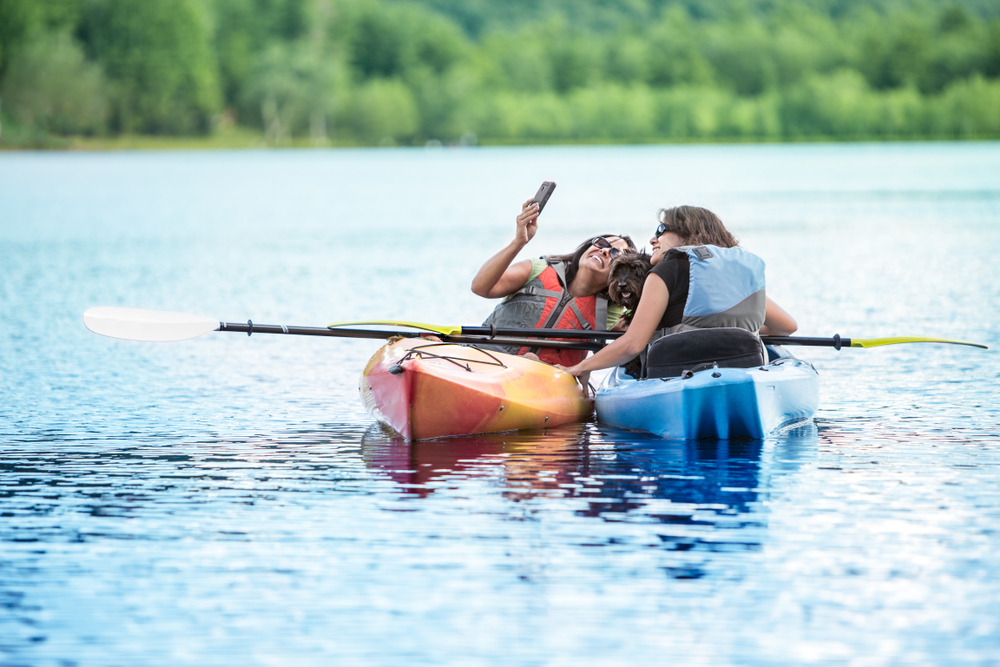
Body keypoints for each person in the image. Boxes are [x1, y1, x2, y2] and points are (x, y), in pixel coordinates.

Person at [558, 205, 797, 378]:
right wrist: (739, 329)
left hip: (678, 372)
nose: (653, 239)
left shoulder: (664, 272)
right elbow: (787, 327)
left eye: (661, 230)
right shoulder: (738, 276)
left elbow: (632, 345)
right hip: (744, 368)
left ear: (687, 233)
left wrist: (578, 368)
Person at [471, 197, 635, 367]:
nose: (605, 250)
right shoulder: (539, 268)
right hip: (483, 361)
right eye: (602, 243)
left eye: (616, 254)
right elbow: (480, 287)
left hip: (542, 380)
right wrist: (518, 242)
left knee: (531, 361)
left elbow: (637, 337)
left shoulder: (611, 310)